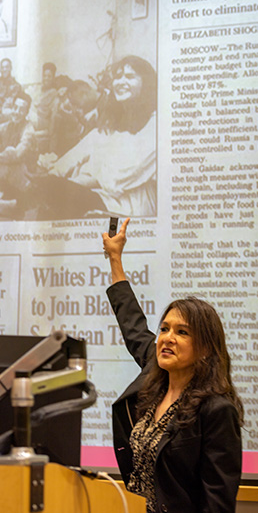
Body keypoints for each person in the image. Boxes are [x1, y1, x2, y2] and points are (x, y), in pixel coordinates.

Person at [102, 217, 243, 513]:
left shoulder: (217, 410)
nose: (167, 338)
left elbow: (218, 501)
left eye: (182, 332)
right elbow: (133, 325)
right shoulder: (155, 378)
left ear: (205, 348)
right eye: (165, 328)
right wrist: (115, 258)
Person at [42, 55, 157, 217]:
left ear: (147, 83)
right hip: (104, 195)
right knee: (50, 192)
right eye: (118, 77)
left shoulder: (155, 125)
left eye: (130, 77)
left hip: (132, 205)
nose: (121, 81)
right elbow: (87, 145)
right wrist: (56, 172)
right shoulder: (114, 122)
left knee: (55, 194)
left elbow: (119, 177)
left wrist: (78, 177)